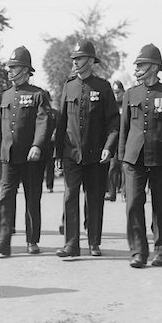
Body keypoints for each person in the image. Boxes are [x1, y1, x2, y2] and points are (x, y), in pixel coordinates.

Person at [119, 44, 162, 268]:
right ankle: (138, 251)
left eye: (141, 64)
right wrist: (122, 158)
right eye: (136, 65)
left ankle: (160, 250)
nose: (137, 68)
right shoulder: (130, 94)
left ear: (154, 67)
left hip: (161, 157)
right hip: (134, 159)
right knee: (134, 204)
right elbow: (124, 129)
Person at [54, 40, 119, 258]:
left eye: (79, 58)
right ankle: (71, 243)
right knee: (70, 197)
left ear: (91, 61)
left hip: (96, 154)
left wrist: (109, 148)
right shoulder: (68, 86)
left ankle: (94, 242)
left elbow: (113, 122)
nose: (75, 62)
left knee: (94, 198)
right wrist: (58, 154)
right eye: (74, 59)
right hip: (72, 153)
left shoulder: (103, 87)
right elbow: (61, 122)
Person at [0, 46, 52, 256]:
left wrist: (37, 145)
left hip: (31, 157)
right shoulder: (3, 96)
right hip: (9, 156)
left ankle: (32, 240)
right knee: (5, 197)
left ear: (25, 70)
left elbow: (43, 122)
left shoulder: (38, 95)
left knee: (32, 198)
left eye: (13, 67)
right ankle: (2, 241)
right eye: (9, 67)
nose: (9, 70)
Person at [105, 80, 125, 201]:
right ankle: (111, 192)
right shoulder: (111, 105)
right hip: (114, 140)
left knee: (124, 168)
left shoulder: (127, 103)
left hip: (125, 140)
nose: (116, 95)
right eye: (114, 92)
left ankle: (125, 192)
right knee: (112, 167)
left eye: (118, 92)